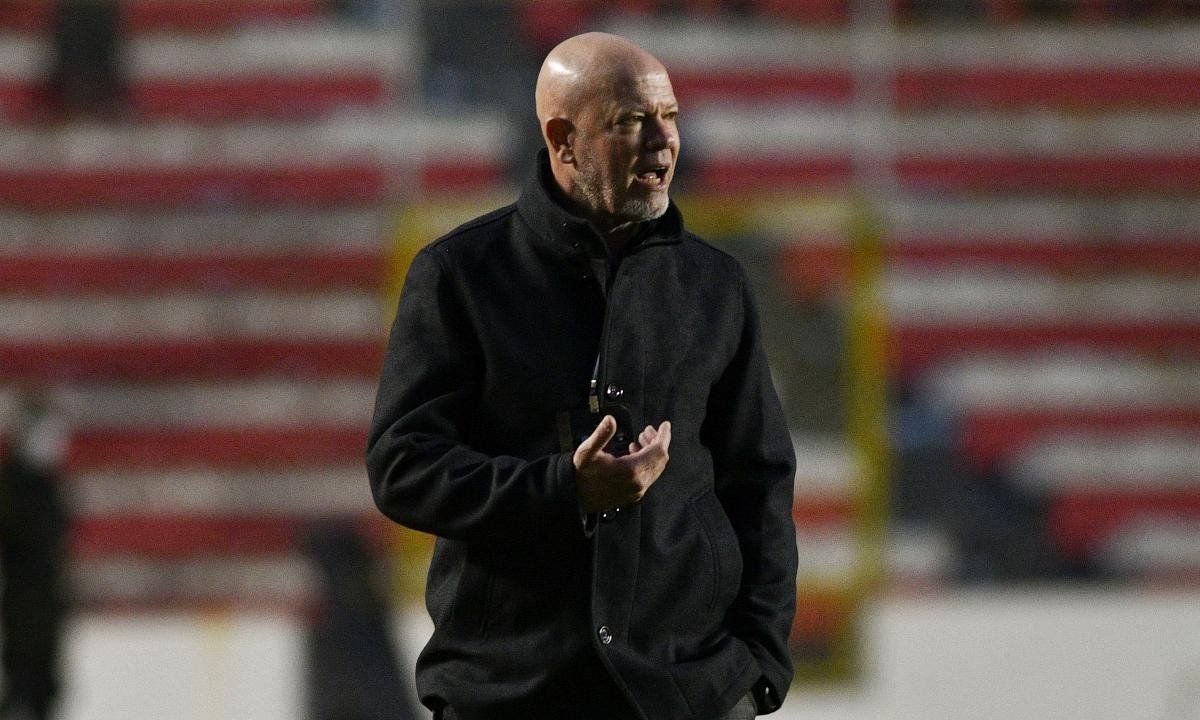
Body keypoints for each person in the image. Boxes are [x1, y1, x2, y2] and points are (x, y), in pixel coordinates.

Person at [367, 32, 797, 720]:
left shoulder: (716, 285)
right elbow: (402, 467)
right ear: (563, 139)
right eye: (632, 121)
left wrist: (760, 671)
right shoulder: (459, 276)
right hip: (508, 695)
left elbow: (760, 483)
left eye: (671, 117)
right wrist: (563, 487)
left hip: (685, 697)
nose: (663, 142)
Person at [0, 392, 71, 720]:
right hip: (18, 613)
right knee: (21, 694)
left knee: (44, 694)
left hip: (45, 612)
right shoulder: (11, 487)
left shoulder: (50, 487)